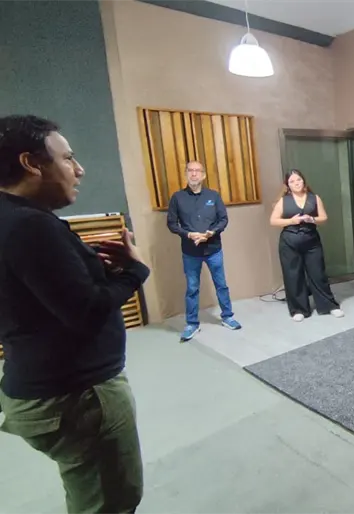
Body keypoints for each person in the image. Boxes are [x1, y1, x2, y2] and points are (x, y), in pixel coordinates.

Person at [0, 115, 149, 513]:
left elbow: (34, 293)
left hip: (40, 385)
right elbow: (87, 310)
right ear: (31, 163)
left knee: (89, 494)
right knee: (110, 502)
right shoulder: (31, 226)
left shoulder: (11, 218)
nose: (79, 169)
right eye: (67, 158)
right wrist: (136, 271)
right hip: (77, 397)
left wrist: (89, 266)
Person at [167, 161, 241, 342]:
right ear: (186, 174)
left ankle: (227, 317)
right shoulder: (177, 198)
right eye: (190, 171)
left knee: (221, 285)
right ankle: (192, 324)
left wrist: (211, 233)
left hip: (213, 249)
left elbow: (223, 219)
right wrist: (188, 234)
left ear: (203, 175)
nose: (194, 174)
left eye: (197, 171)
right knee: (192, 288)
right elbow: (171, 224)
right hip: (190, 251)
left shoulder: (213, 196)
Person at [269, 169, 344, 321]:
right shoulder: (284, 201)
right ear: (288, 185)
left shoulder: (314, 198)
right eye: (292, 181)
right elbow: (273, 221)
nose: (296, 183)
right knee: (293, 276)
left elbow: (324, 217)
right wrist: (292, 221)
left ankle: (329, 306)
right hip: (289, 242)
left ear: (303, 181)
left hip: (311, 241)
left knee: (318, 274)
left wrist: (313, 219)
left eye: (298, 180)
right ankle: (299, 309)